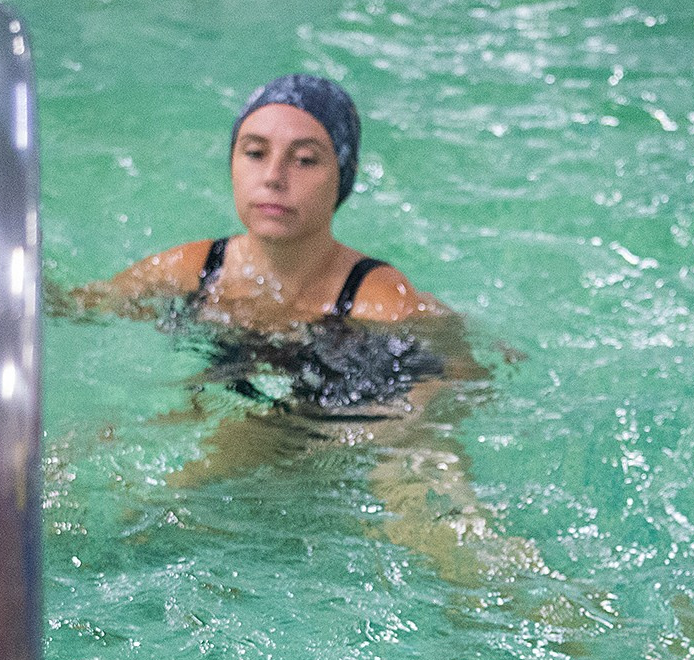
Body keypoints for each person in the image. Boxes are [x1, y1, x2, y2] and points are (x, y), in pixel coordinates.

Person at [65, 72, 468, 417]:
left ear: (342, 178)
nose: (273, 176)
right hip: (234, 407)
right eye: (255, 153)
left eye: (305, 160)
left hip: (337, 423)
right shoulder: (195, 269)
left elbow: (454, 382)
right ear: (233, 166)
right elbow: (78, 309)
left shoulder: (376, 301)